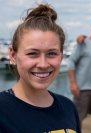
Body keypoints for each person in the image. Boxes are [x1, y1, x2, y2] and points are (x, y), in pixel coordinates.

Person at [0, 4, 81, 133]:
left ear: (61, 56)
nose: (43, 64)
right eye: (32, 54)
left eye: (51, 53)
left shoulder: (68, 107)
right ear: (13, 55)